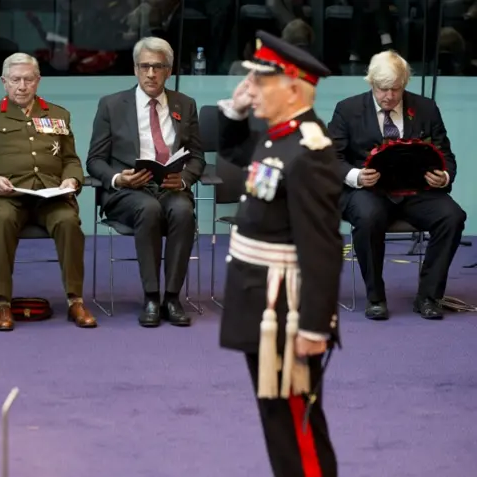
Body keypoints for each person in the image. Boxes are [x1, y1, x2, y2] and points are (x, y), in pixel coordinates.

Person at [218, 31, 341, 476]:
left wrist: (314, 325)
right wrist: (235, 109)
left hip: (287, 314)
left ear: (291, 87)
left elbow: (322, 245)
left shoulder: (308, 150)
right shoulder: (277, 139)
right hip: (262, 304)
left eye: (260, 81)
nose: (251, 88)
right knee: (277, 421)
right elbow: (232, 149)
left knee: (297, 426)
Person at [328, 50, 466, 321]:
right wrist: (355, 175)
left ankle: (428, 297)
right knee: (368, 217)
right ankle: (375, 297)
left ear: (405, 83)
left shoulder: (426, 108)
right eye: (382, 89)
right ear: (371, 84)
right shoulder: (348, 109)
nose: (389, 96)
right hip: (368, 191)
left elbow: (446, 154)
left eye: (395, 89)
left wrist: (444, 176)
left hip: (416, 190)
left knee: (453, 217)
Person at [0, 52, 97, 332]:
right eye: (15, 80)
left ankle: (76, 300)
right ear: (4, 82)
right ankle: (2, 303)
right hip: (5, 195)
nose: (22, 86)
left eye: (28, 80)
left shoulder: (58, 115)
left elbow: (71, 159)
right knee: (1, 221)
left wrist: (72, 181)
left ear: (38, 81)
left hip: (49, 195)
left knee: (68, 221)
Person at [86, 37, 205, 327]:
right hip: (129, 191)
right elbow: (94, 160)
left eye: (158, 67)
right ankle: (152, 296)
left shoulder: (184, 104)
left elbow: (198, 157)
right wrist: (117, 178)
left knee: (183, 211)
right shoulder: (112, 105)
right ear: (136, 69)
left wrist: (185, 180)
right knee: (148, 209)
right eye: (145, 66)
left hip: (169, 186)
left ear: (169, 70)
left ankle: (173, 297)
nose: (151, 73)